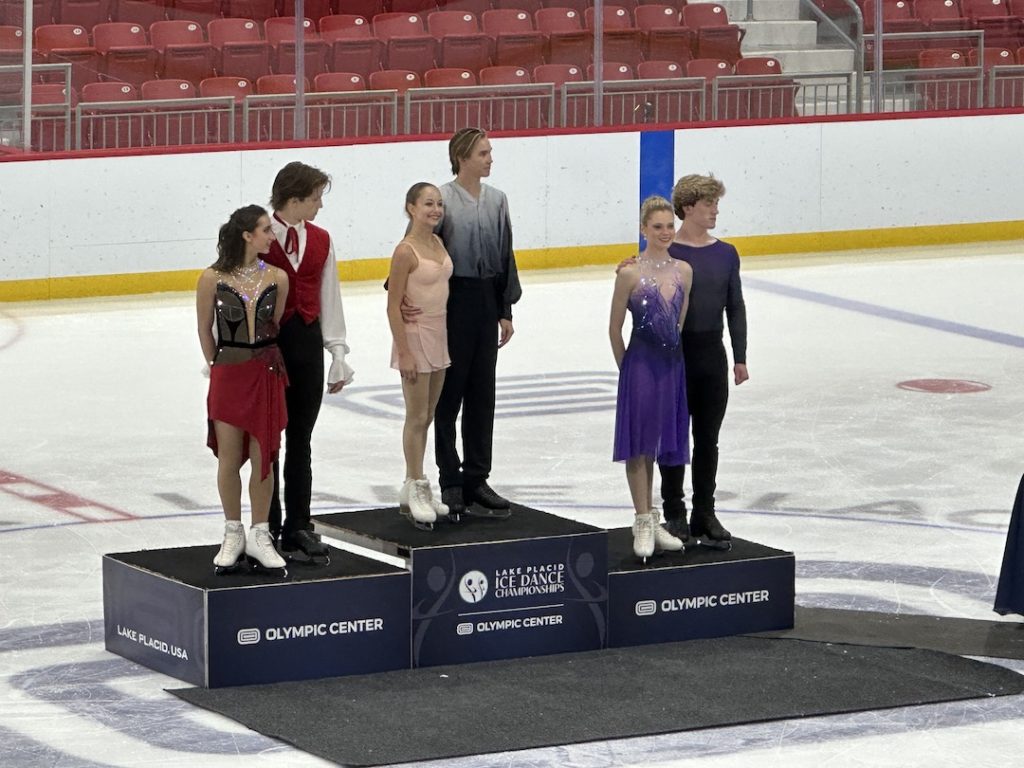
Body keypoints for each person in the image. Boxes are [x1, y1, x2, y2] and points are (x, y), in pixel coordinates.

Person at [262, 161, 354, 564]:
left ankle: (298, 525)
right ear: (294, 199)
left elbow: (328, 293)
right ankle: (265, 526)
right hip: (267, 347)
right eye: (315, 198)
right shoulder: (260, 236)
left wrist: (337, 352)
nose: (319, 205)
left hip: (307, 342)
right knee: (267, 442)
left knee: (301, 438)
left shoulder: (321, 239)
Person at [431, 128, 522, 519]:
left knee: (482, 394)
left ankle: (477, 478)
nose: (490, 159)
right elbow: (420, 251)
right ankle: (450, 479)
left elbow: (506, 254)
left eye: (490, 152)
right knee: (449, 395)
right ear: (462, 156)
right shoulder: (441, 200)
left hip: (487, 301)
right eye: (483, 153)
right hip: (451, 303)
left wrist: (505, 309)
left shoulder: (498, 200)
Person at [196, 204, 290, 576]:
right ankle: (233, 530)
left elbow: (276, 322)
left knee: (264, 456)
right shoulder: (211, 278)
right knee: (229, 458)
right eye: (266, 230)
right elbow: (205, 328)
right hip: (229, 374)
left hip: (265, 372)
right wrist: (218, 367)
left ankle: (260, 532)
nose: (272, 235)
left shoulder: (279, 278)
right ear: (247, 236)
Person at [660, 173, 748, 547]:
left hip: (712, 353)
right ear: (688, 208)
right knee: (674, 438)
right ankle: (674, 512)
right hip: (675, 356)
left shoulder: (726, 253)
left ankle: (705, 512)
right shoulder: (667, 253)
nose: (715, 211)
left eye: (716, 203)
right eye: (709, 204)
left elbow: (735, 306)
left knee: (707, 439)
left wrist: (740, 356)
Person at [611, 196, 693, 562]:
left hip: (670, 365)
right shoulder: (629, 273)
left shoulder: (685, 271)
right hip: (640, 366)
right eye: (656, 226)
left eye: (669, 226)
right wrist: (626, 370)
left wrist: (670, 360)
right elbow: (614, 329)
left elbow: (679, 323)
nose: (664, 233)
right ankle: (642, 519)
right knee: (639, 444)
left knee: (660, 442)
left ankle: (652, 517)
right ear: (644, 229)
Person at [387, 182, 453, 529]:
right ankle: (415, 484)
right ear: (411, 207)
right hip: (414, 338)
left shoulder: (438, 242)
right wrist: (405, 351)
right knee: (416, 416)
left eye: (439, 203)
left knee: (428, 414)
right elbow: (393, 304)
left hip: (438, 333)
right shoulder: (405, 251)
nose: (436, 209)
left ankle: (414, 484)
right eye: (428, 203)